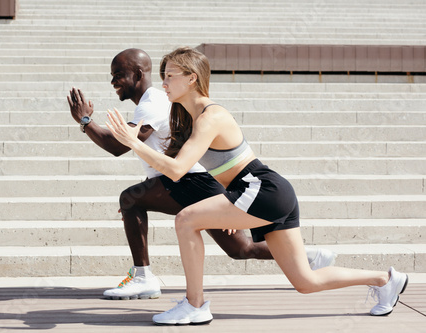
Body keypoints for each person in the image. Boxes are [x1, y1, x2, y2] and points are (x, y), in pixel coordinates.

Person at [105, 46, 409, 325]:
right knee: (305, 282)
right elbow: (197, 169)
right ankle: (385, 279)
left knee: (186, 220)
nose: (165, 84)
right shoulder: (191, 117)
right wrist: (224, 210)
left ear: (192, 78)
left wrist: (134, 142)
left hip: (261, 189)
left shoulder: (211, 117)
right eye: (163, 77)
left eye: (170, 76)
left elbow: (177, 170)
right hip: (265, 193)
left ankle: (194, 305)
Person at [68, 48, 335, 301]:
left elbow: (118, 145)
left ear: (138, 74)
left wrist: (85, 121)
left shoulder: (153, 103)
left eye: (118, 74)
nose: (113, 81)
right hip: (198, 180)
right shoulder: (165, 102)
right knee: (240, 249)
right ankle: (310, 257)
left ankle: (149, 281)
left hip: (191, 180)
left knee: (130, 199)